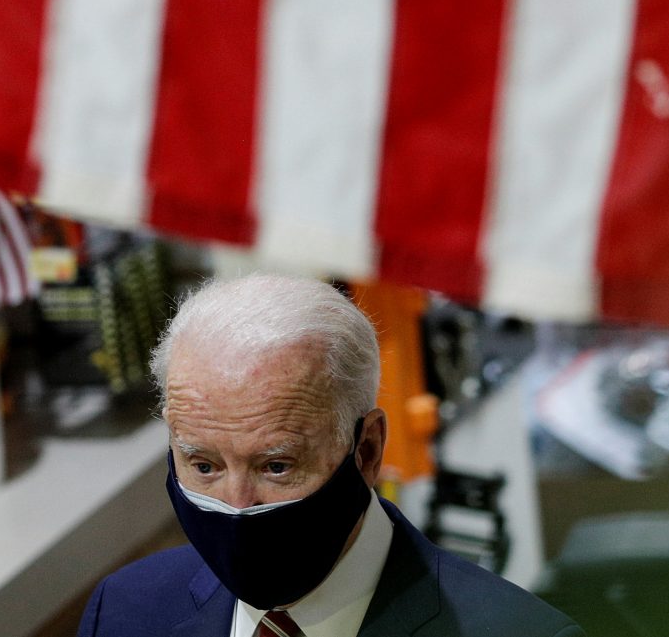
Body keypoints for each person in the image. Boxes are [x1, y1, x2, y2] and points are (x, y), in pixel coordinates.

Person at [79, 273, 586, 637]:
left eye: (276, 466)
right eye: (204, 466)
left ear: (366, 451)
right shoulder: (124, 612)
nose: (237, 505)